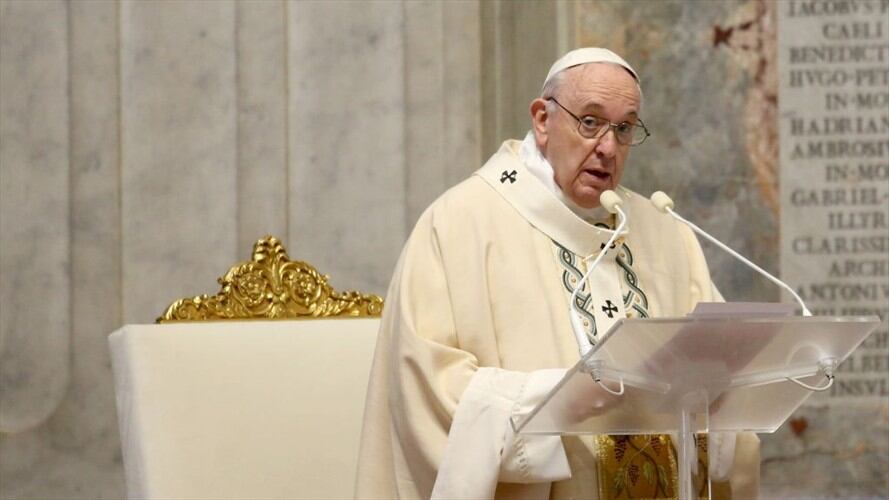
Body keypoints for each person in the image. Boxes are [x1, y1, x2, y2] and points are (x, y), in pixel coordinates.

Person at [354, 48, 760, 499]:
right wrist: (562, 398)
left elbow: (723, 376)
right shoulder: (458, 225)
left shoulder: (664, 233)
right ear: (542, 120)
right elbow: (427, 393)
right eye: (589, 122)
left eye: (624, 128)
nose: (607, 147)